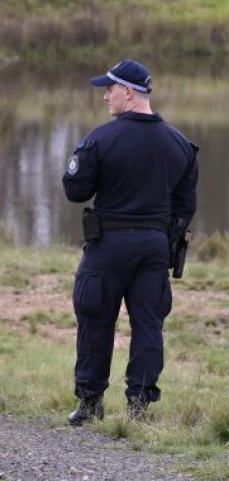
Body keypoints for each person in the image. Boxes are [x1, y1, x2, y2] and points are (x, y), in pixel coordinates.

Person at [62, 59, 198, 426]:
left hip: (109, 245)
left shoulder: (100, 139)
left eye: (109, 89)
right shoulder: (181, 145)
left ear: (128, 92)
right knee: (149, 324)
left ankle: (90, 404)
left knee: (95, 318)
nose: (105, 96)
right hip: (155, 247)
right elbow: (185, 208)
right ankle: (139, 406)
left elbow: (76, 190)